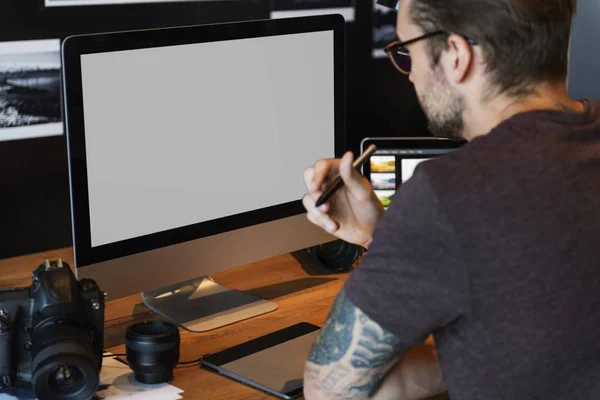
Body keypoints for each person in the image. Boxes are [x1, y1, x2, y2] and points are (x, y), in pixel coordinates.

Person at [301, 0, 600, 399]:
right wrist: (384, 236)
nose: (410, 77)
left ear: (457, 55)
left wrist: (466, 356)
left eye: (408, 50)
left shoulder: (452, 193)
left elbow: (330, 390)